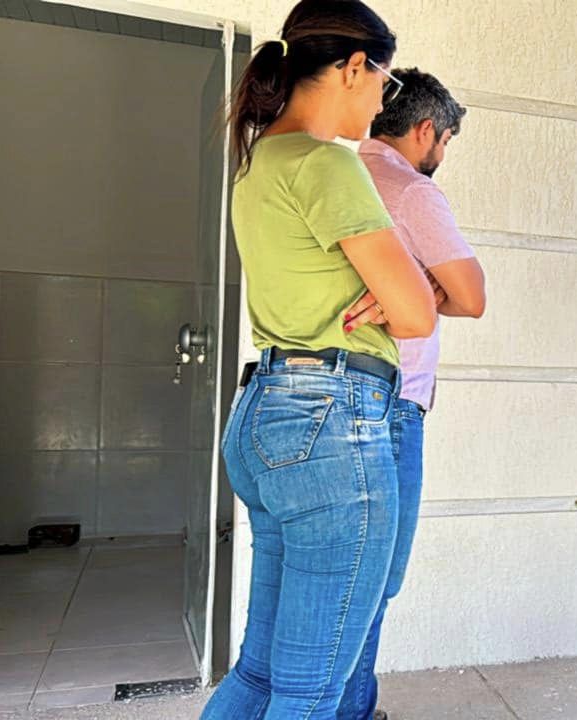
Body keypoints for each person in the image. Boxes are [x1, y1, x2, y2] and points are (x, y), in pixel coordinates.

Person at [200, 1, 438, 717]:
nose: (380, 101)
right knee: (310, 694)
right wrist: (402, 285)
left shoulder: (258, 163)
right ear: (354, 67)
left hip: (266, 415)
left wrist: (390, 288)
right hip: (334, 428)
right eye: (384, 85)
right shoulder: (324, 164)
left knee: (260, 675)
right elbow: (419, 313)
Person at [335, 68, 486, 720]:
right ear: (426, 130)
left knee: (331, 579)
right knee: (371, 581)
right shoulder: (410, 190)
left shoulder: (336, 179)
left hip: (324, 394)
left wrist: (408, 290)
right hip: (387, 406)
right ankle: (351, 713)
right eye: (446, 140)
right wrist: (424, 289)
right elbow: (473, 298)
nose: (443, 155)